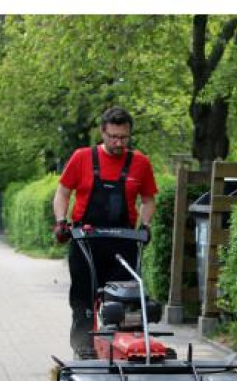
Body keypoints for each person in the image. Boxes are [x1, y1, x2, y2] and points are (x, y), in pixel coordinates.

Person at [53, 107, 158, 357]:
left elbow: (148, 200)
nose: (118, 143)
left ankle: (121, 350)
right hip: (86, 242)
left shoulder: (140, 163)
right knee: (83, 299)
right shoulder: (82, 157)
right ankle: (83, 348)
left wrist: (145, 225)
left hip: (123, 242)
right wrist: (61, 221)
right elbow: (63, 193)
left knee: (124, 300)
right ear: (102, 132)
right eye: (113, 137)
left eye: (124, 138)